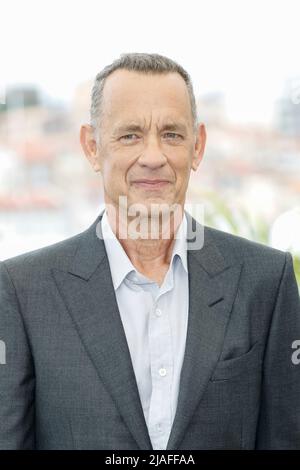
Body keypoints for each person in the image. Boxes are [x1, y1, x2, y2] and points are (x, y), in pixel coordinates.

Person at [0, 52, 300, 450]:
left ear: (198, 147)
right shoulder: (23, 292)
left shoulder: (267, 281)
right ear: (92, 147)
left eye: (172, 134)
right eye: (130, 135)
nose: (154, 157)